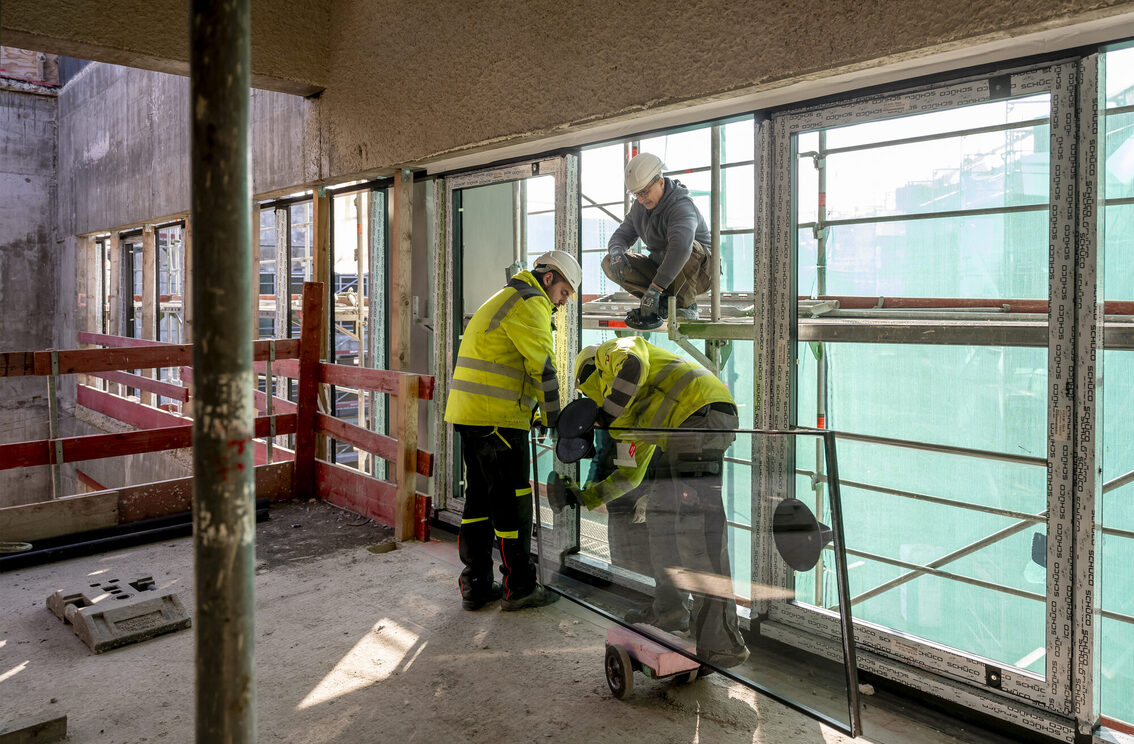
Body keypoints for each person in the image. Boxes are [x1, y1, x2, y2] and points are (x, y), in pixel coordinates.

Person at [571, 337, 749, 668]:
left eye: (584, 391)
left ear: (588, 373)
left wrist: (606, 414)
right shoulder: (631, 413)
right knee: (662, 517)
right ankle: (670, 613)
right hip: (684, 430)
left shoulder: (612, 353)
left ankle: (723, 641)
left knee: (698, 534)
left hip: (700, 415)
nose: (587, 400)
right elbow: (630, 476)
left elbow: (633, 364)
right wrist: (584, 497)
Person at [444, 250, 581, 612]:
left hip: (471, 415)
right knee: (512, 503)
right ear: (548, 278)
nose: (563, 302)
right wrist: (554, 421)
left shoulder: (505, 296)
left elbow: (505, 363)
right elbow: (543, 370)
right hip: (499, 421)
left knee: (478, 500)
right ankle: (519, 586)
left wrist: (532, 411)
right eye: (564, 292)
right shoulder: (530, 303)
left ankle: (475, 584)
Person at [602, 152, 713, 329]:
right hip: (663, 274)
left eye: (645, 192)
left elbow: (681, 248)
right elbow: (622, 235)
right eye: (636, 194)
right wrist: (616, 252)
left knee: (684, 245)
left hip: (698, 275)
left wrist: (655, 288)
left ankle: (685, 304)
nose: (641, 199)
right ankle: (660, 300)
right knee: (610, 262)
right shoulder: (639, 207)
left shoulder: (681, 206)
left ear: (660, 182)